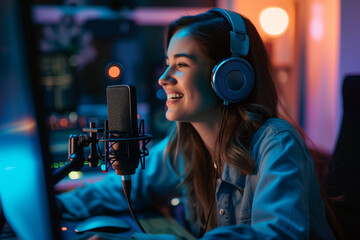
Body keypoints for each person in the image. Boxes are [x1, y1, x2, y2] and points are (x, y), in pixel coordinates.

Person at [57, 8, 339, 239]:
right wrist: (53, 207)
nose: (163, 77)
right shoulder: (185, 144)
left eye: (181, 64)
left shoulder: (276, 144)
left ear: (231, 78)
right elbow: (123, 189)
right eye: (167, 62)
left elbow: (277, 235)